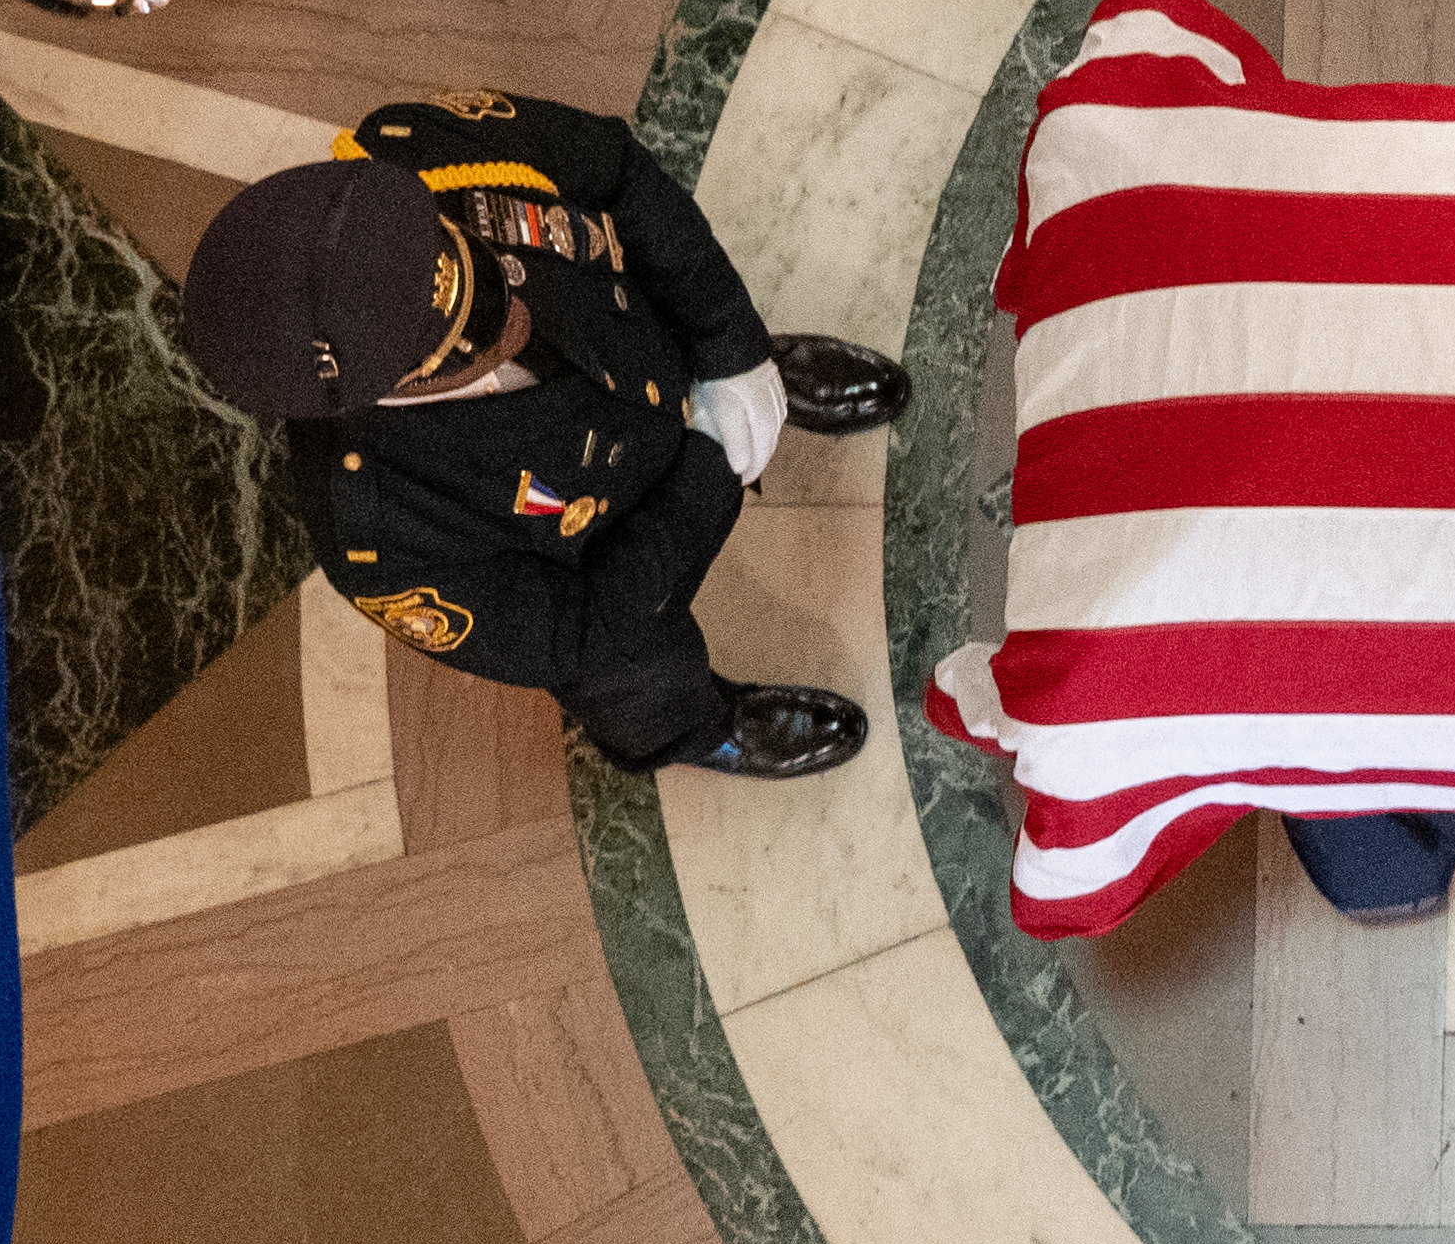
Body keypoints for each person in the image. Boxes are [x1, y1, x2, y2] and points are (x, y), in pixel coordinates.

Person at [172, 96, 908, 779]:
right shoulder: (375, 539)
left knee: (701, 336)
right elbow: (576, 633)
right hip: (625, 567)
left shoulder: (419, 141)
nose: (509, 315)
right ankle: (705, 727)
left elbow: (615, 169)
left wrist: (731, 345)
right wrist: (710, 467)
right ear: (370, 397)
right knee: (641, 680)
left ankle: (766, 381)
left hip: (651, 351)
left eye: (465, 260)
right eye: (460, 349)